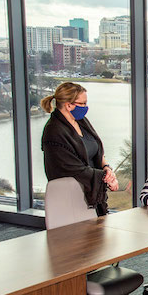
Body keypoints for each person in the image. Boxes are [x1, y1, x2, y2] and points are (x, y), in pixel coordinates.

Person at [41, 82, 117, 216]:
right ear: (68, 105)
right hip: (71, 198)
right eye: (82, 104)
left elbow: (96, 151)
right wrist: (105, 178)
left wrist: (106, 168)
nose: (86, 107)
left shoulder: (82, 121)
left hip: (90, 196)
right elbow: (72, 169)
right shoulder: (53, 131)